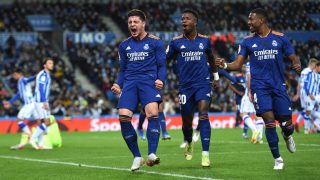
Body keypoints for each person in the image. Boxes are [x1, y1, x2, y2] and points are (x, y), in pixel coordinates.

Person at [216, 8, 301, 170]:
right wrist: (225, 65)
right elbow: (237, 64)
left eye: (251, 19)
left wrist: (296, 63)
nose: (248, 22)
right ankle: (278, 159)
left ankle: (287, 135)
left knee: (287, 124)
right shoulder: (247, 42)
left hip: (278, 87)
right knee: (268, 122)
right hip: (260, 88)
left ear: (261, 20)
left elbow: (293, 56)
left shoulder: (280, 38)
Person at [111, 9, 166, 171]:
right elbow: (122, 69)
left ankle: (151, 154)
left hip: (148, 82)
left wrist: (160, 79)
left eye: (135, 22)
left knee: (152, 114)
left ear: (143, 23)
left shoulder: (156, 42)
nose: (132, 25)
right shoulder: (124, 45)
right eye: (130, 23)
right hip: (129, 84)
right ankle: (137, 156)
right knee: (123, 117)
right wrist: (118, 84)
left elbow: (162, 65)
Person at [166, 9, 219, 167]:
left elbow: (211, 58)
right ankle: (189, 141)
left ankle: (205, 154)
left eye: (187, 19)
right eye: (182, 19)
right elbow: (164, 61)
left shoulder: (205, 41)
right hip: (185, 87)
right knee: (187, 123)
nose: (184, 21)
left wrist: (215, 76)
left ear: (195, 22)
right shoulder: (175, 42)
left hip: (203, 83)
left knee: (203, 114)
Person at [2, 68, 36, 149]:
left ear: (19, 74)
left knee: (22, 121)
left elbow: (30, 79)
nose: (14, 76)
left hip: (30, 104)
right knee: (19, 120)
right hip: (27, 104)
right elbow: (18, 94)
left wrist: (38, 75)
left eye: (15, 74)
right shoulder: (19, 82)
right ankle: (26, 140)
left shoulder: (23, 79)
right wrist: (9, 102)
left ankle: (31, 138)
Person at [29, 57, 54, 150]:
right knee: (47, 122)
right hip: (40, 101)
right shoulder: (43, 75)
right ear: (45, 65)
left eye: (52, 63)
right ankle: (32, 138)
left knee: (43, 123)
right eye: (49, 63)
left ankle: (40, 144)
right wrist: (44, 101)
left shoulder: (47, 74)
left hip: (42, 100)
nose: (52, 65)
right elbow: (41, 88)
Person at [292, 58, 318, 133]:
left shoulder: (303, 71)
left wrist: (298, 94)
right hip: (307, 92)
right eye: (315, 65)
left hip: (302, 92)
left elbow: (299, 83)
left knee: (306, 110)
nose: (315, 67)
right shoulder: (310, 72)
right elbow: (309, 83)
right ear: (312, 64)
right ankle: (307, 129)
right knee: (309, 110)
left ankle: (297, 122)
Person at [303, 61, 320, 134]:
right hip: (310, 96)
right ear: (316, 66)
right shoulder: (309, 75)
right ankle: (306, 129)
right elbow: (305, 85)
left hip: (317, 96)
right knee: (308, 112)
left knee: (316, 113)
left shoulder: (319, 76)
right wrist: (310, 94)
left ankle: (315, 127)